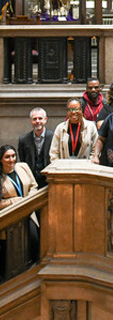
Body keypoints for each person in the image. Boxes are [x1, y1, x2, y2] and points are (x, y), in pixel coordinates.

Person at [0, 145, 39, 274]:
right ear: (1, 159)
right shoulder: (1, 177)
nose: (11, 160)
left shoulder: (23, 167)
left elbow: (34, 185)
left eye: (13, 156)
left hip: (28, 212)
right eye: (7, 157)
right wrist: (16, 201)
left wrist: (29, 199)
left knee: (34, 241)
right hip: (11, 218)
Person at [18, 107, 54, 188]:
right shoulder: (23, 140)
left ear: (45, 119)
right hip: (31, 182)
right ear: (31, 120)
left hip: (49, 180)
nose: (37, 121)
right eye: (34, 119)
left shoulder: (54, 137)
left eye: (40, 118)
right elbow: (22, 161)